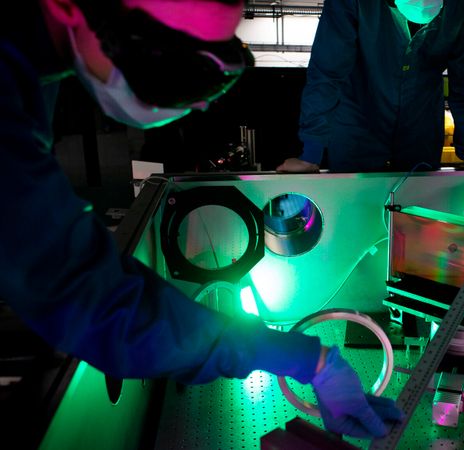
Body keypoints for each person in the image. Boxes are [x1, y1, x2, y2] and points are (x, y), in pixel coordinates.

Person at [0, 0, 401, 438]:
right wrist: (306, 359)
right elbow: (85, 296)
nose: (198, 105)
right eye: (172, 63)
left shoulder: (34, 56)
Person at [276, 0, 464, 173]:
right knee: (355, 211)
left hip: (420, 131)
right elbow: (327, 73)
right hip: (357, 126)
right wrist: (311, 154)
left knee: (419, 216)